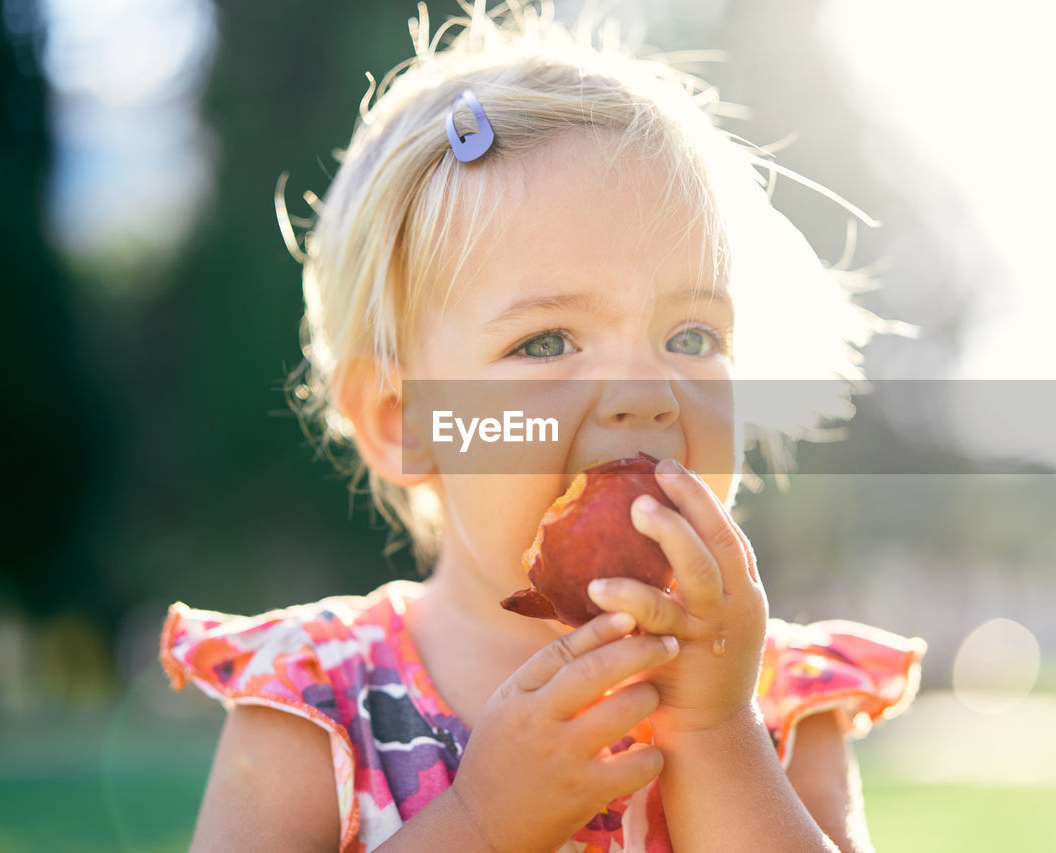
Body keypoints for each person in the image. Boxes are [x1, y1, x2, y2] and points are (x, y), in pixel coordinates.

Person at [159, 4, 925, 851]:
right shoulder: (316, 706)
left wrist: (716, 735)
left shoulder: (775, 701)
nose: (647, 391)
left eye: (692, 336)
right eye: (547, 341)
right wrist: (481, 823)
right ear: (403, 419)